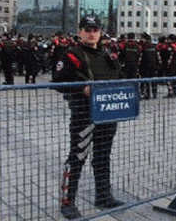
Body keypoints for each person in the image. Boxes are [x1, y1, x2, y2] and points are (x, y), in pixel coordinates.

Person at [52, 15, 124, 219]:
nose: (92, 34)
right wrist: (80, 88)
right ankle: (67, 202)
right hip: (84, 114)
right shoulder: (72, 55)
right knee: (77, 157)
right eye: (87, 29)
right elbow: (57, 81)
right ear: (80, 32)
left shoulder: (107, 54)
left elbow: (119, 78)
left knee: (102, 157)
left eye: (95, 30)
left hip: (108, 114)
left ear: (100, 33)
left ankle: (103, 196)